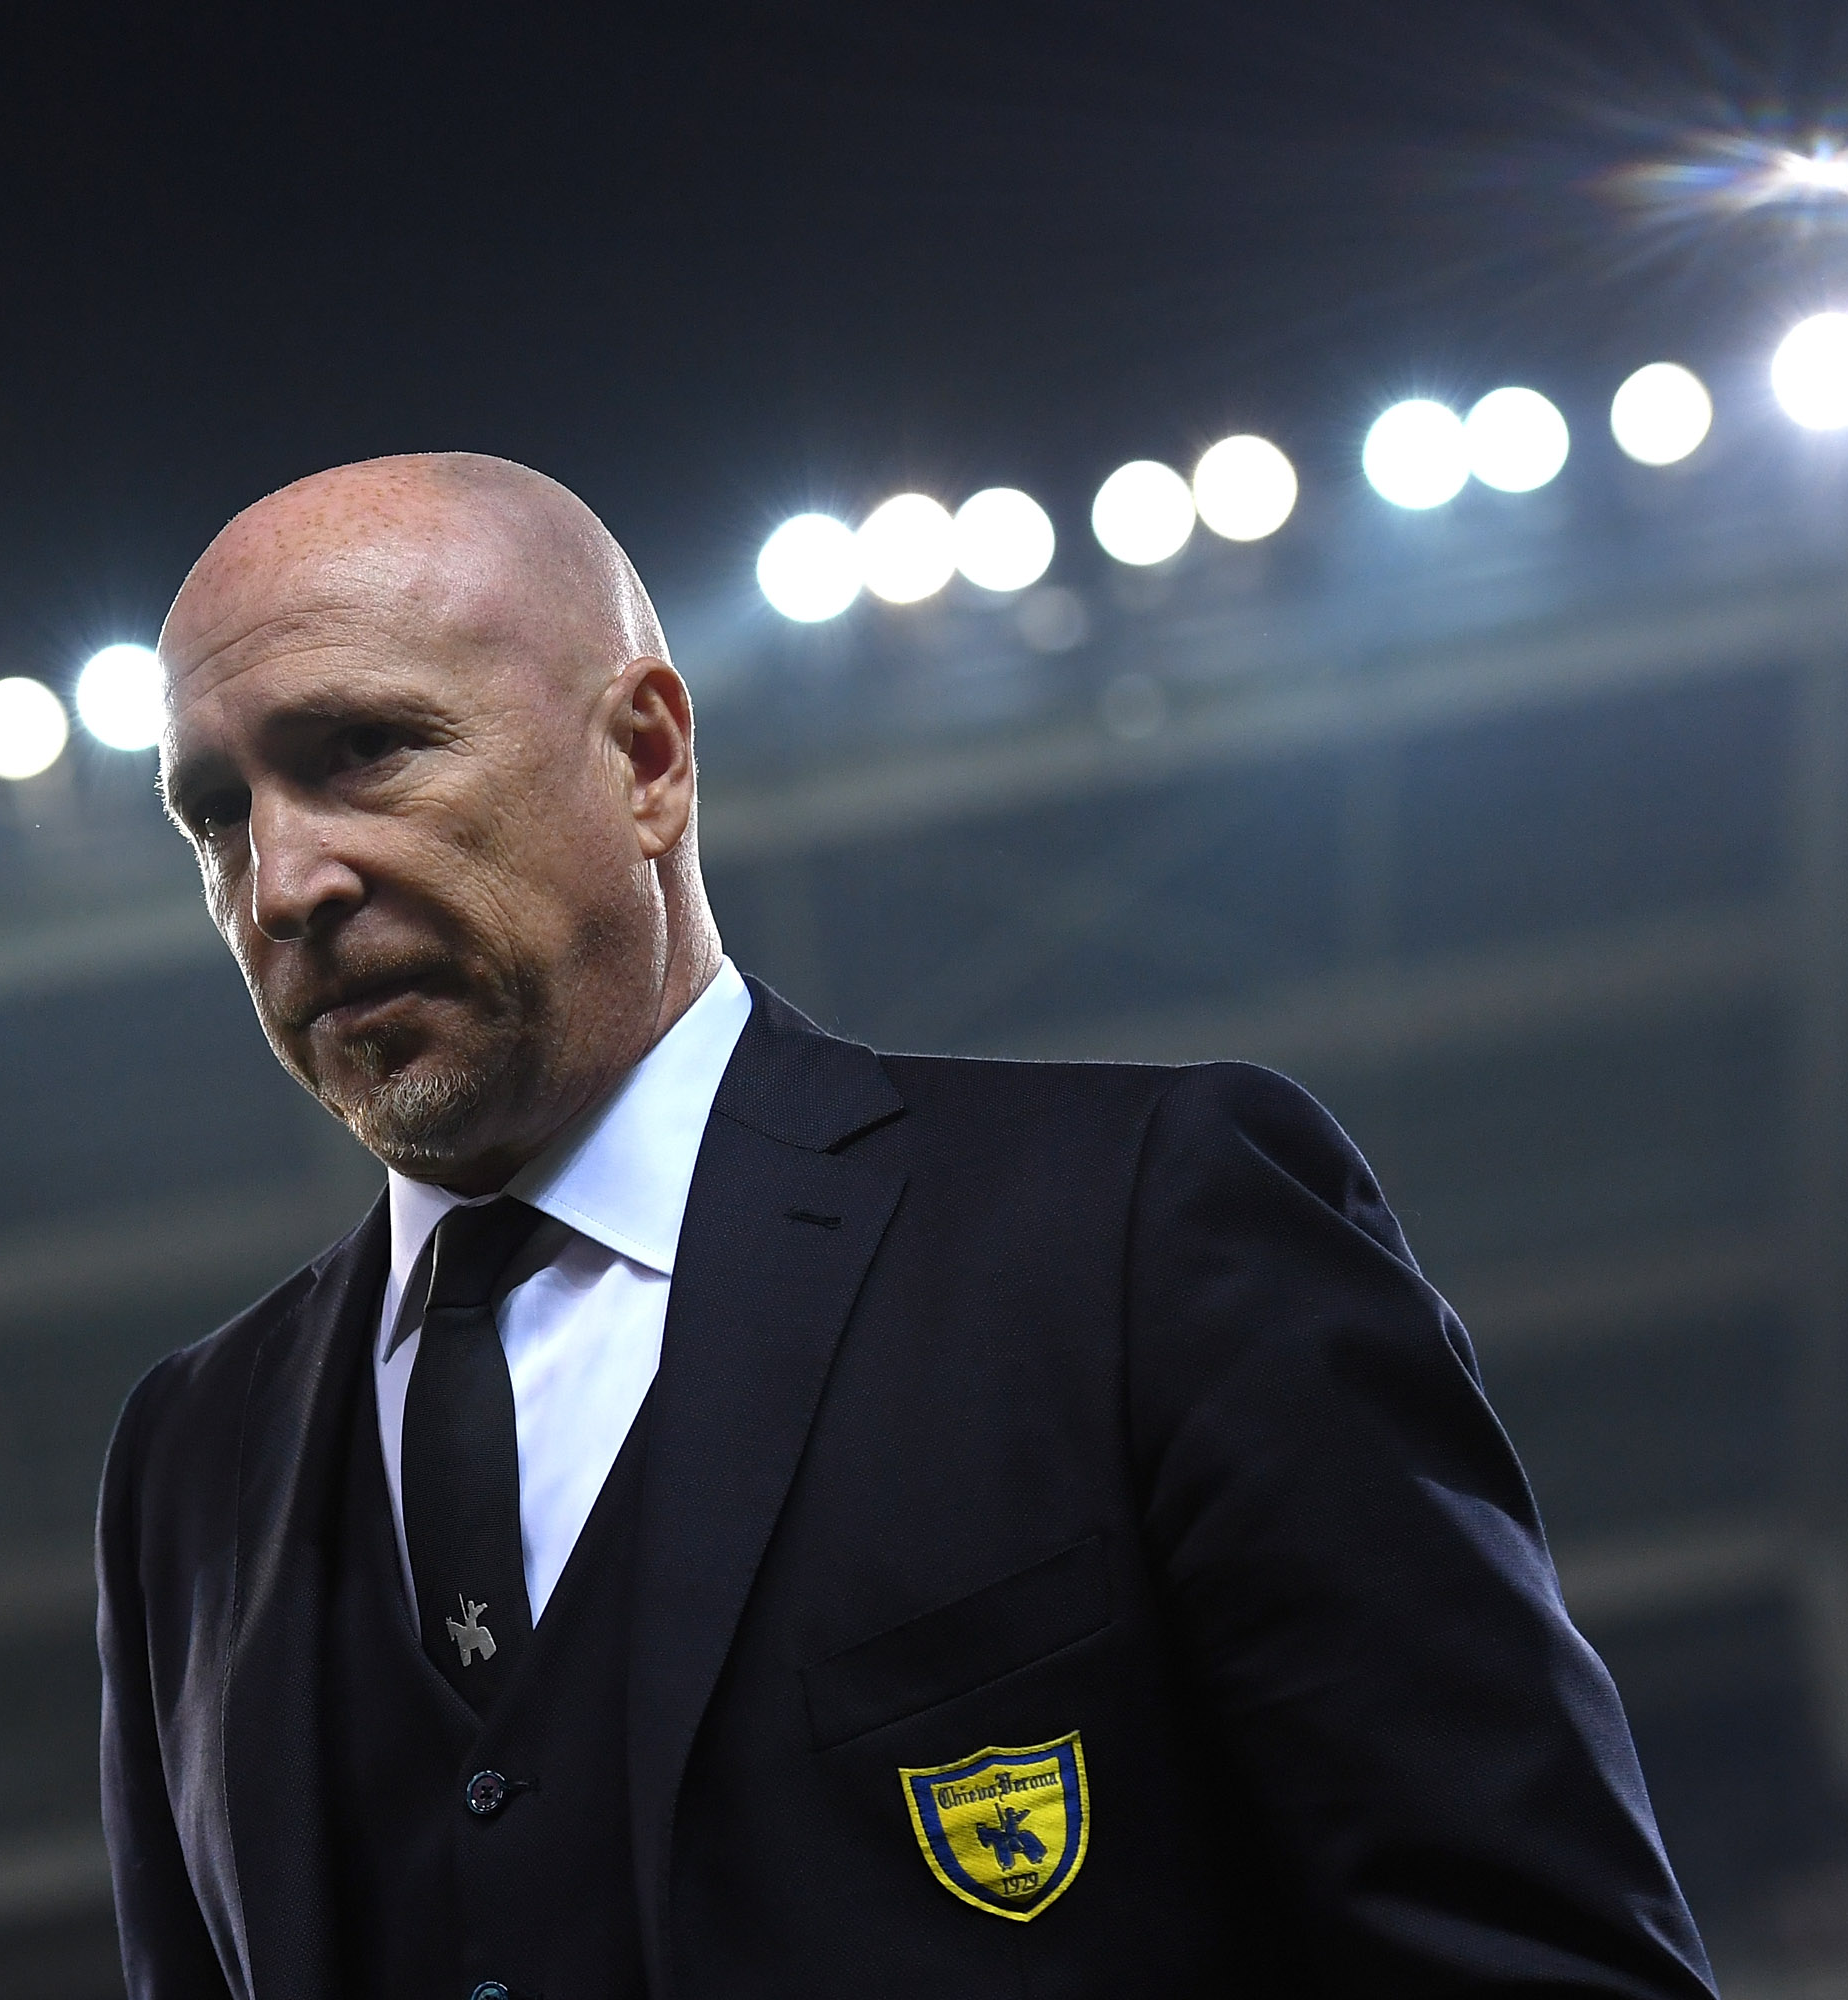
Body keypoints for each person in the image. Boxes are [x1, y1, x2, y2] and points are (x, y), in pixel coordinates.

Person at [95, 451, 1713, 1999]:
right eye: (220, 815)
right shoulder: (189, 1461)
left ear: (647, 759)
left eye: (364, 751)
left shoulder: (1137, 1232)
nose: (286, 880)